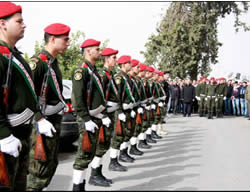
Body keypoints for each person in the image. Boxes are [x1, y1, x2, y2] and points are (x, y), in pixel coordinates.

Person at [0, 2, 50, 191]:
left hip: (21, 135)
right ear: (3, 24)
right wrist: (3, 134)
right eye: (19, 21)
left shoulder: (16, 56)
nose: (24, 25)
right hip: (7, 138)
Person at [27, 23, 70, 191]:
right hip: (41, 124)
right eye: (65, 39)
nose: (68, 43)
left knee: (51, 164)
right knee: (39, 168)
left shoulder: (53, 63)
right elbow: (27, 95)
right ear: (53, 39)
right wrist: (39, 119)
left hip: (53, 121)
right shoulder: (38, 63)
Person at [71, 39, 111, 190]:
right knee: (83, 155)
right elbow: (78, 99)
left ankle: (82, 185)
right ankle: (77, 187)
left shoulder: (93, 70)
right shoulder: (82, 71)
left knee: (89, 154)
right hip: (86, 119)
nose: (99, 52)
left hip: (95, 117)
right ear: (88, 51)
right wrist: (86, 119)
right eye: (97, 49)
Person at [99, 48, 128, 172]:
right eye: (114, 57)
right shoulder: (103, 75)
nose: (116, 60)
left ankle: (113, 162)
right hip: (106, 113)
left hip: (112, 111)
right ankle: (96, 172)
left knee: (109, 141)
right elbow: (99, 98)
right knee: (101, 145)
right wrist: (103, 115)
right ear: (106, 59)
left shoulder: (110, 75)